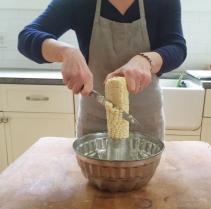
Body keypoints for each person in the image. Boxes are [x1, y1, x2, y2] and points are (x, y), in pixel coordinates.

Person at [18, 0, 187, 140]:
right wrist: (66, 52)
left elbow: (176, 47)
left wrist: (146, 60)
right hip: (95, 121)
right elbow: (27, 37)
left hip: (145, 121)